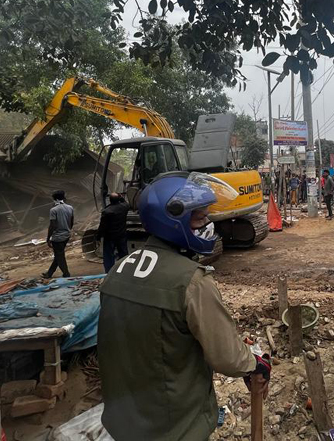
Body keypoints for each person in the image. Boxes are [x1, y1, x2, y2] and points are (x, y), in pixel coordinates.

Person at [98, 172, 271, 440]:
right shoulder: (191, 282)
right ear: (172, 221)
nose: (207, 224)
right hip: (174, 427)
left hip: (123, 423)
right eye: (200, 218)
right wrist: (255, 365)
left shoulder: (117, 272)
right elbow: (226, 356)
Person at [42, 190, 74, 279]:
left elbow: (52, 225)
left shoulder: (53, 210)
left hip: (58, 237)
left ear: (55, 199)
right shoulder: (70, 207)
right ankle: (49, 273)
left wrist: (48, 238)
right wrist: (67, 230)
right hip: (66, 235)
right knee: (58, 255)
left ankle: (66, 273)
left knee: (60, 256)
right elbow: (71, 222)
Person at [97, 193, 131, 273]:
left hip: (110, 237)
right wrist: (121, 197)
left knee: (108, 255)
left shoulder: (107, 211)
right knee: (123, 253)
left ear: (110, 200)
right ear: (119, 199)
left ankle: (109, 272)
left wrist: (98, 237)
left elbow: (102, 226)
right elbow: (125, 203)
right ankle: (126, 270)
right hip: (121, 235)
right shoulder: (124, 207)